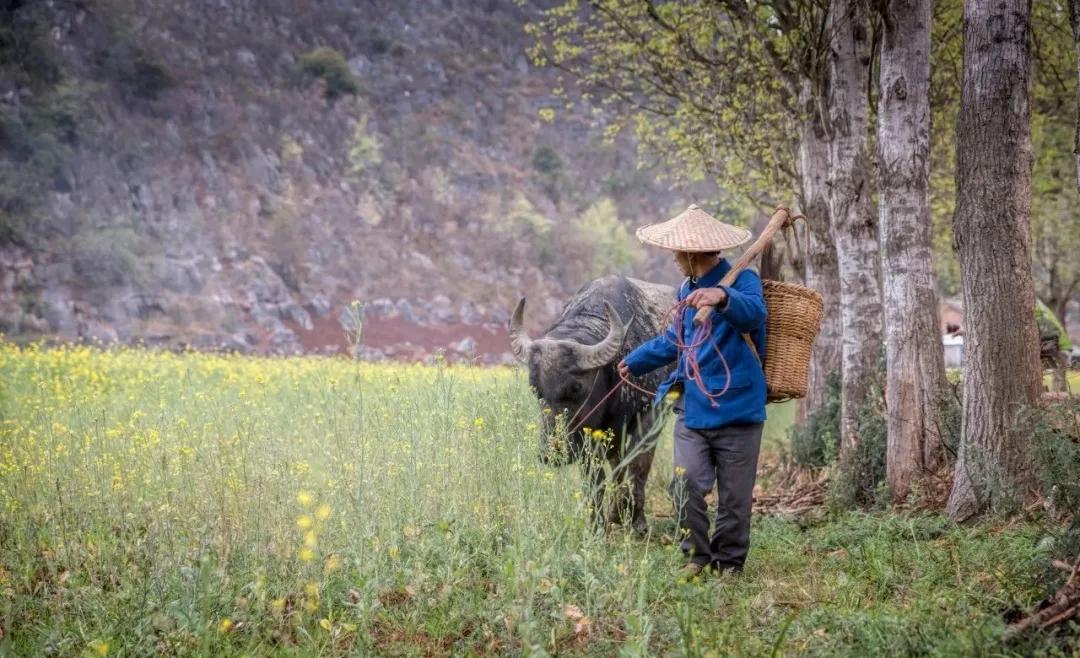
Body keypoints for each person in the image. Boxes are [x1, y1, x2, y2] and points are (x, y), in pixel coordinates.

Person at [617, 204, 767, 578]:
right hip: (694, 406)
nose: (673, 259)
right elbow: (674, 342)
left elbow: (755, 315)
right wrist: (634, 360)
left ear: (691, 253)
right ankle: (696, 556)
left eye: (675, 253)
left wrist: (723, 298)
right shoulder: (687, 289)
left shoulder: (742, 281)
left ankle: (730, 562)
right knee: (685, 483)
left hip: (739, 407)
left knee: (735, 498)